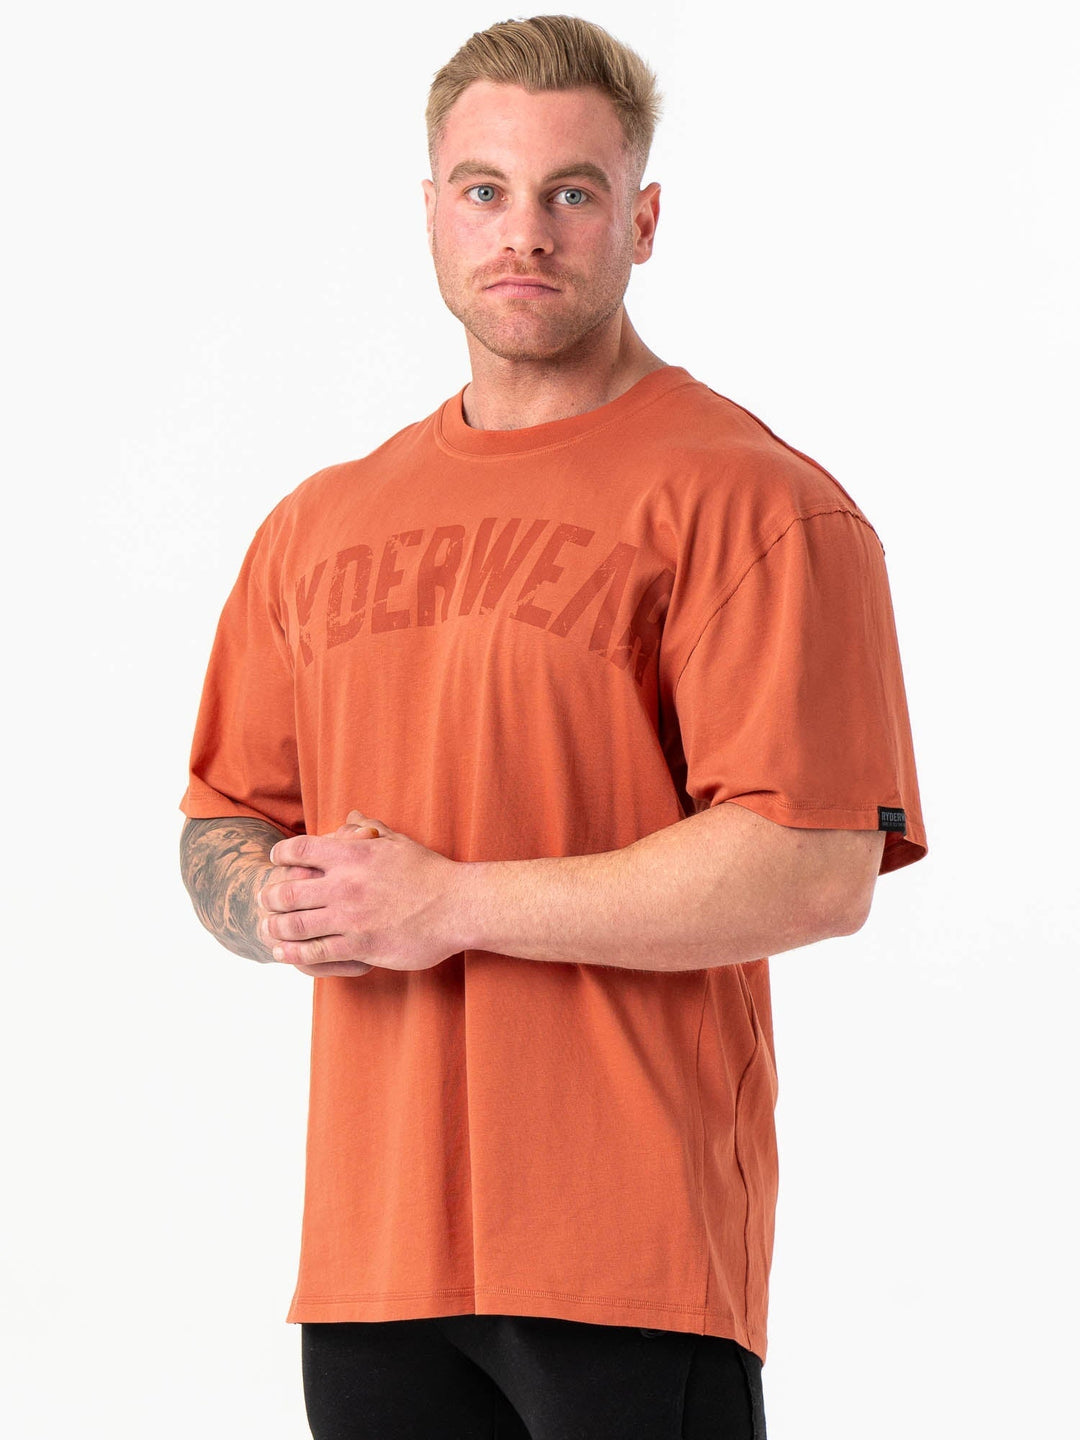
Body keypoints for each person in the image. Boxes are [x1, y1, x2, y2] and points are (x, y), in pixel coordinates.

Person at [179, 14, 927, 1439]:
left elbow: (816, 867)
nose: (523, 232)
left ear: (641, 221)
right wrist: (274, 902)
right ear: (431, 212)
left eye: (571, 192)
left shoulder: (757, 503)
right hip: (370, 1261)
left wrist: (449, 902)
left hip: (630, 1258)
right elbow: (226, 814)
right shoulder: (320, 522)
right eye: (486, 190)